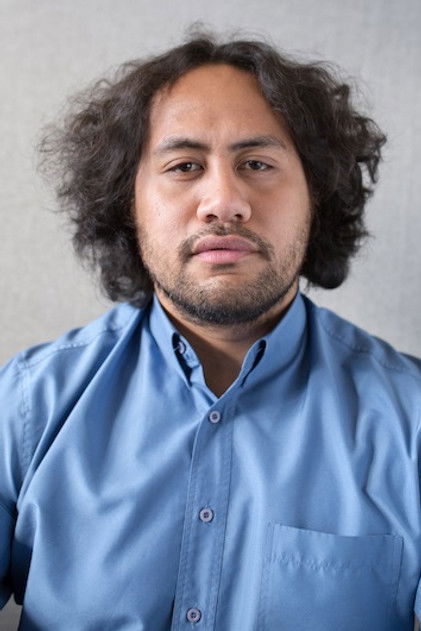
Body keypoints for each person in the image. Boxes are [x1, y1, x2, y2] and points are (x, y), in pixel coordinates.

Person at [0, 33, 420, 631]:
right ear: (128, 204)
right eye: (184, 166)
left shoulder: (411, 421)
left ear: (316, 196)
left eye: (257, 164)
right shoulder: (25, 406)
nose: (224, 201)